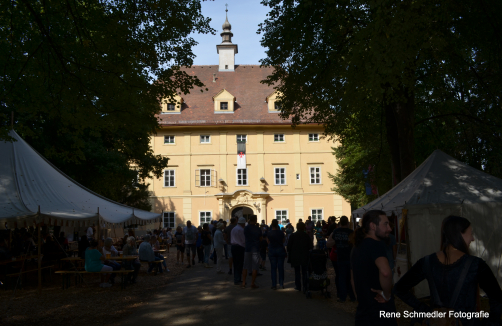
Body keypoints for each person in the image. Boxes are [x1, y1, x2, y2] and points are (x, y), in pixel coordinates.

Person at [394, 216, 502, 326]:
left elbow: (399, 288)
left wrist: (425, 310)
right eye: (471, 233)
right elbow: (497, 298)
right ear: (460, 234)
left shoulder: (426, 262)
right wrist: (490, 322)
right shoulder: (477, 265)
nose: (472, 238)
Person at [350, 210, 396, 326]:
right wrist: (387, 295)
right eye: (385, 224)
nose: (389, 229)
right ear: (373, 226)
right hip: (379, 309)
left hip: (363, 311)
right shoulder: (376, 244)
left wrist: (362, 298)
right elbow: (385, 272)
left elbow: (352, 278)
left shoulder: (357, 246)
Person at [331, 215, 355, 302]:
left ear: (340, 222)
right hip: (349, 257)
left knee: (342, 278)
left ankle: (342, 297)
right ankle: (352, 296)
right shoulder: (351, 232)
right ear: (348, 222)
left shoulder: (336, 231)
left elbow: (331, 240)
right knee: (351, 277)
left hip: (340, 256)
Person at [287, 221, 312, 292]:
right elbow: (310, 246)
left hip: (295, 256)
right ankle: (305, 286)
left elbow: (289, 247)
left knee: (297, 272)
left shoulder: (293, 235)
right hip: (304, 256)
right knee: (304, 272)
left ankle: (298, 286)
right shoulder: (306, 236)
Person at [242, 215, 262, 289]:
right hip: (255, 249)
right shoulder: (258, 229)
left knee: (245, 266)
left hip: (247, 248)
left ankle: (243, 283)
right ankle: (252, 283)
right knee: (255, 267)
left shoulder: (246, 228)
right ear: (256, 220)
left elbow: (245, 236)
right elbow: (260, 239)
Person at [267, 219, 286, 290]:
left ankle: (274, 285)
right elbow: (283, 241)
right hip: (280, 250)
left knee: (273, 268)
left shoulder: (269, 233)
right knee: (281, 268)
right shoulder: (281, 232)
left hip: (272, 251)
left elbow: (268, 242)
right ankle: (281, 284)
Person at [231, 217, 246, 285]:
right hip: (239, 247)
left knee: (235, 263)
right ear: (243, 223)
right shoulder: (241, 229)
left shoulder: (234, 228)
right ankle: (237, 279)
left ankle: (236, 278)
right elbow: (243, 240)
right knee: (239, 264)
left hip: (233, 246)